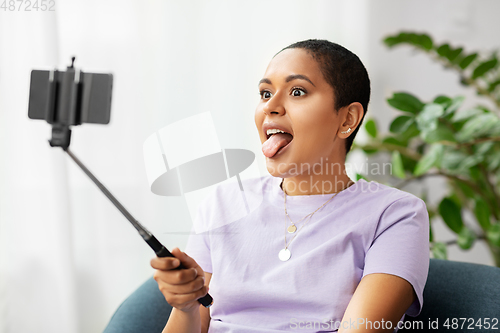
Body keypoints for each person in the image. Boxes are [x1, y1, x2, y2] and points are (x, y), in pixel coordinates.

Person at [150, 39, 430, 333]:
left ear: (347, 119)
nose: (270, 106)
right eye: (265, 93)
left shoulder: (396, 214)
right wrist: (186, 307)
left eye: (297, 91)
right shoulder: (223, 201)